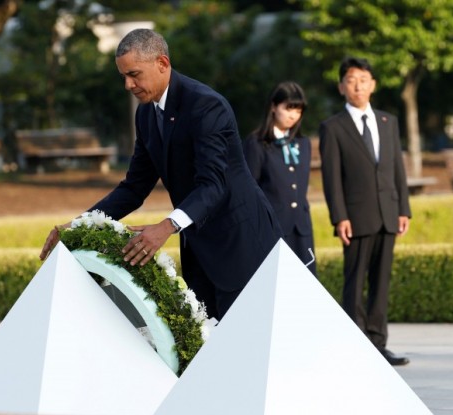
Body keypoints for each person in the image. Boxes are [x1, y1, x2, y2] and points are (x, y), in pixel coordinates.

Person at [39, 29, 282, 320]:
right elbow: (134, 187)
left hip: (242, 241)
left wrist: (166, 226)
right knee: (210, 347)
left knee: (247, 342)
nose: (128, 85)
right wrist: (78, 226)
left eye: (134, 74)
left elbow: (213, 185)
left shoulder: (206, 105)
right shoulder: (145, 114)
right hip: (199, 247)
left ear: (162, 63)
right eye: (123, 76)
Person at [318, 56, 411, 366]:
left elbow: (397, 168)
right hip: (356, 218)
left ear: (373, 84)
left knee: (381, 282)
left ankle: (378, 344)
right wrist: (339, 216)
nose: (357, 85)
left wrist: (403, 209)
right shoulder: (333, 127)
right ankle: (356, 345)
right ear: (341, 87)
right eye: (351, 80)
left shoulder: (388, 121)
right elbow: (332, 178)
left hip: (388, 213)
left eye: (363, 79)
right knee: (355, 281)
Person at [243, 81, 316, 276]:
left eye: (299, 109)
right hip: (272, 229)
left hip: (301, 229)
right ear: (274, 107)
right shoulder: (257, 143)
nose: (294, 115)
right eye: (289, 108)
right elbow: (249, 191)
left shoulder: (303, 143)